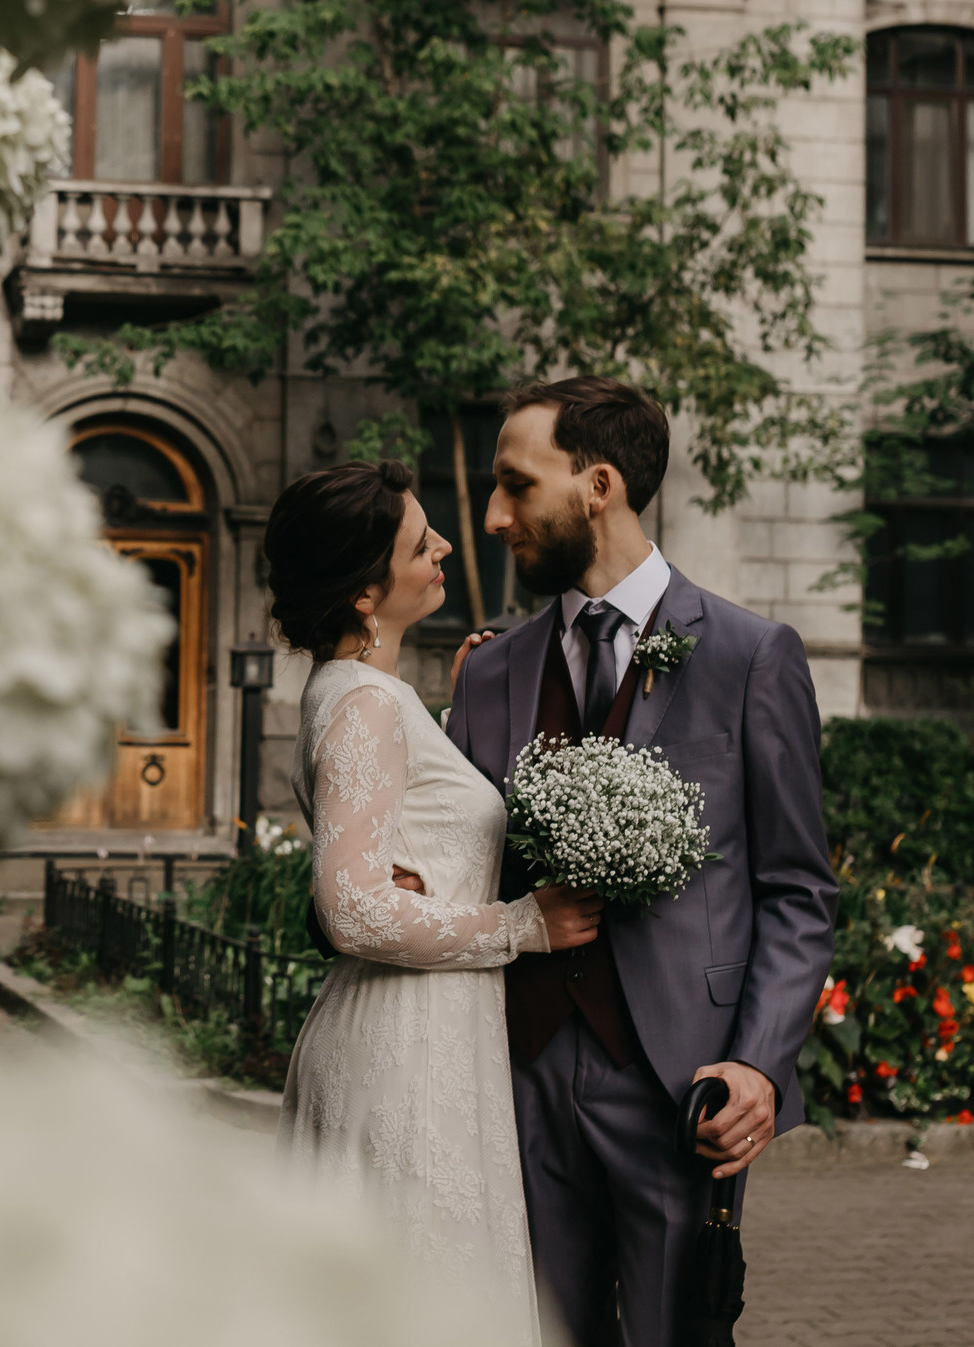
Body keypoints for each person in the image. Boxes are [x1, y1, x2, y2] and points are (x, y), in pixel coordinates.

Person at [444, 378, 837, 1347]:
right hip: (518, 1079)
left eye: (513, 486)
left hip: (677, 1087)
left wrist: (756, 1065)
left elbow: (796, 892)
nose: (493, 518)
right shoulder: (489, 673)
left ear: (598, 485)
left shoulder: (750, 657)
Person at [269, 459, 601, 1344]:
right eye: (423, 542)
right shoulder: (365, 705)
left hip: (432, 1029)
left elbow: (409, 834)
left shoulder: (365, 696)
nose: (447, 543)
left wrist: (457, 723)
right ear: (364, 592)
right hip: (405, 1045)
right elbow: (352, 909)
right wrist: (524, 924)